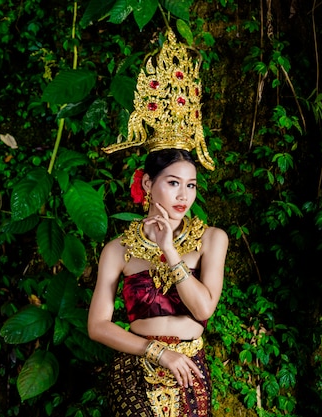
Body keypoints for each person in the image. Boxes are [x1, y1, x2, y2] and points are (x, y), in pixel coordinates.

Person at [87, 148, 228, 416]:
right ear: (148, 183)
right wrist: (157, 352)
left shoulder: (211, 239)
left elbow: (203, 310)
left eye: (191, 185)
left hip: (189, 367)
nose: (183, 196)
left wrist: (171, 252)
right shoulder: (118, 249)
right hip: (135, 368)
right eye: (173, 183)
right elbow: (97, 326)